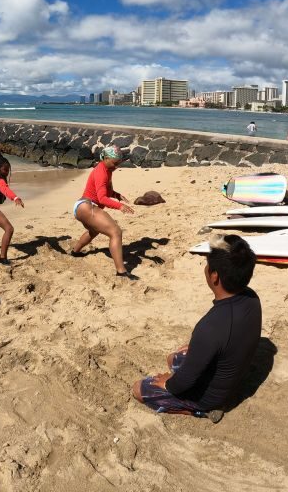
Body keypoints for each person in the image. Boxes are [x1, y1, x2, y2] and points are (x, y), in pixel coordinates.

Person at [132, 234, 261, 420]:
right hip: (232, 373)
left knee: (139, 389)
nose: (206, 268)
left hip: (210, 397)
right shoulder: (251, 297)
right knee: (173, 358)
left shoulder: (210, 327)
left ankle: (201, 410)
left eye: (207, 265)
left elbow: (182, 383)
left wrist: (169, 384)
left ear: (214, 276)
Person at [71, 145, 137, 279]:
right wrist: (119, 206)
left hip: (83, 206)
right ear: (105, 159)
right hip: (86, 205)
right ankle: (121, 271)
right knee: (115, 232)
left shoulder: (107, 169)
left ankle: (75, 252)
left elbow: (104, 191)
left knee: (94, 231)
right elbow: (102, 198)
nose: (116, 166)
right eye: (114, 163)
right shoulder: (101, 171)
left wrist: (116, 195)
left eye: (118, 163)